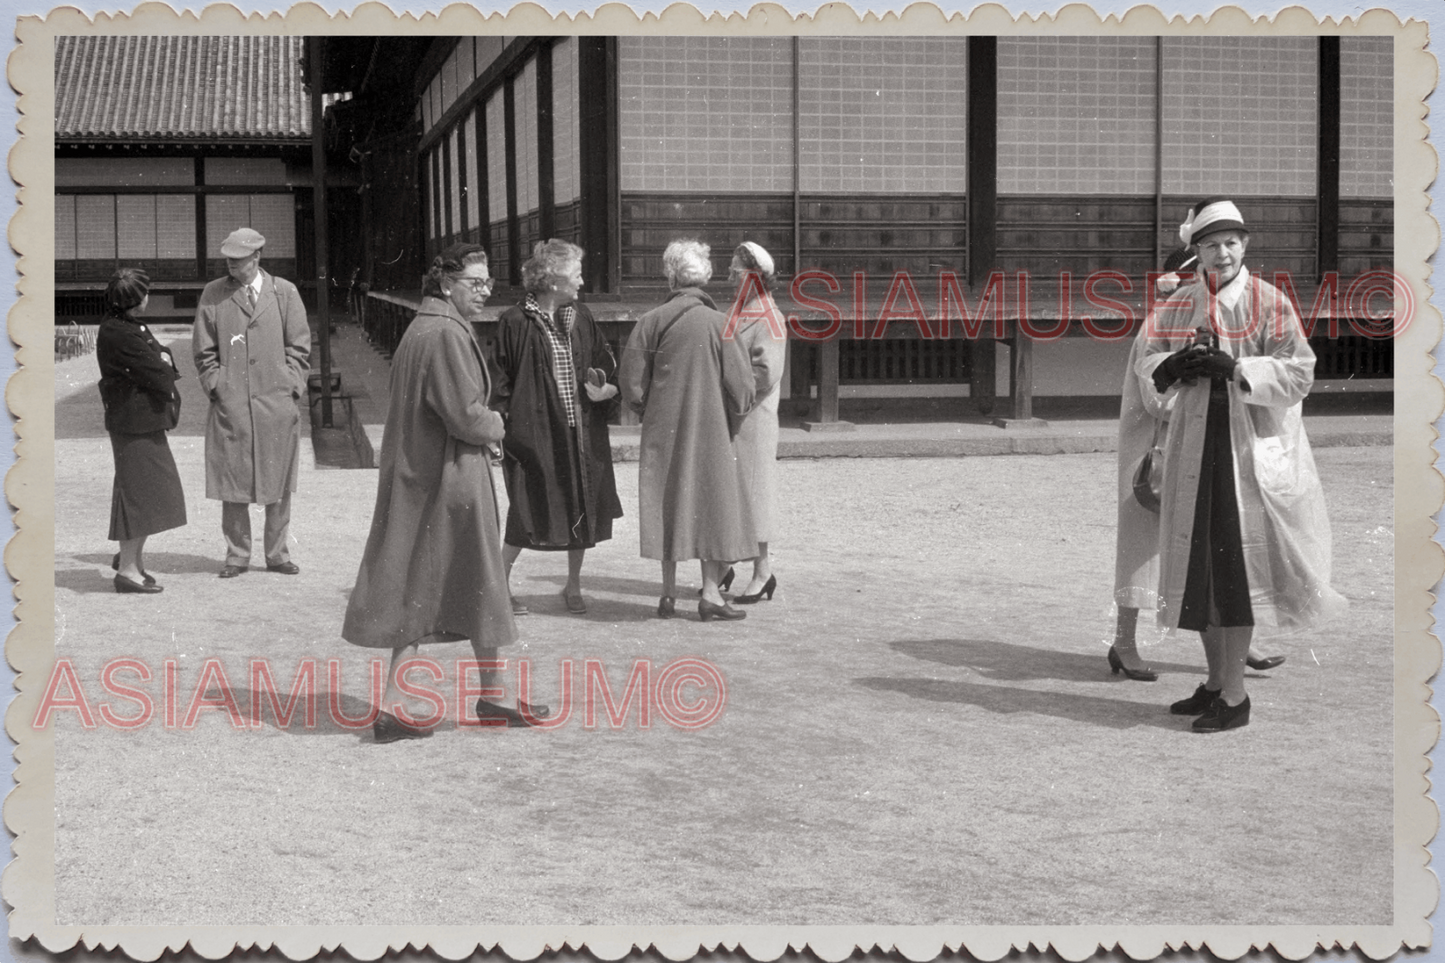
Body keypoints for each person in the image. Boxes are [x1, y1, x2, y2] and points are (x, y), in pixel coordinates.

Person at [1139, 198, 1347, 731]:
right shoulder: (1179, 302)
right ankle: (1213, 682)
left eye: (1231, 241)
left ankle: (1235, 696)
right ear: (1197, 252)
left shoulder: (1270, 302)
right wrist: (1170, 366)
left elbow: (1300, 374)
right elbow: (1148, 359)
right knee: (1198, 570)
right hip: (1193, 446)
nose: (1222, 252)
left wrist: (1237, 368)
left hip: (1245, 453)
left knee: (1234, 573)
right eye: (1211, 244)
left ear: (1245, 245)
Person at [342, 244, 546, 743]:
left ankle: (489, 693)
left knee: (462, 580)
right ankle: (399, 704)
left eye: (488, 284)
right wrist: (500, 423)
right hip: (449, 477)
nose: (484, 292)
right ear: (446, 283)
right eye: (475, 283)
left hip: (426, 472)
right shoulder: (447, 333)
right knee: (440, 584)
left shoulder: (422, 327)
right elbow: (465, 415)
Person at [1110, 248, 1286, 681]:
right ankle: (1124, 643)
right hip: (1154, 455)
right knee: (1142, 549)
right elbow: (1158, 398)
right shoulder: (1161, 324)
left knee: (1221, 545)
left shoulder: (1220, 324)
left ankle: (1238, 643)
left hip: (1198, 450)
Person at [619, 239, 757, 622]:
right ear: (706, 278)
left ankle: (666, 593)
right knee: (712, 505)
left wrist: (648, 407)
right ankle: (711, 593)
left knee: (669, 503)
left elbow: (631, 384)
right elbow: (743, 387)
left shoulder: (651, 321)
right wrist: (734, 416)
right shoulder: (721, 323)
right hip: (712, 429)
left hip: (664, 429)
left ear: (670, 275)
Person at [489, 239, 623, 616]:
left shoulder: (580, 317)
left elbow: (606, 365)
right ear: (552, 280)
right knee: (526, 507)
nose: (581, 283)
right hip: (536, 435)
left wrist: (607, 390)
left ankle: (573, 585)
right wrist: (498, 432)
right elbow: (500, 384)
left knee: (582, 502)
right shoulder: (515, 322)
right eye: (576, 276)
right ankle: (500, 583)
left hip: (581, 429)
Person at [192, 227, 311, 578]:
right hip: (233, 404)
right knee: (234, 480)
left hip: (276, 403)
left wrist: (292, 386)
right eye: (228, 260)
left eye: (238, 260)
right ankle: (237, 555)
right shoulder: (214, 294)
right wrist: (217, 385)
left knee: (278, 481)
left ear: (256, 258)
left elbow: (300, 347)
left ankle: (277, 554)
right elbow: (203, 349)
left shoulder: (284, 292)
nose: (231, 265)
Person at [96, 268, 186, 594]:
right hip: (134, 425)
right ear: (138, 300)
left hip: (137, 422)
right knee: (140, 497)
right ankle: (129, 570)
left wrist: (163, 360)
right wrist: (163, 361)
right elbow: (160, 373)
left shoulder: (123, 326)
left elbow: (163, 362)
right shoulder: (123, 333)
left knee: (140, 494)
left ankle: (132, 562)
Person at [725, 241, 787, 604]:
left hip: (753, 420)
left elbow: (765, 373)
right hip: (733, 417)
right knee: (731, 495)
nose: (730, 276)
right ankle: (722, 565)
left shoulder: (769, 316)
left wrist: (725, 381)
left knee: (754, 498)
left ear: (756, 277)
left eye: (737, 271)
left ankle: (763, 572)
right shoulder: (739, 308)